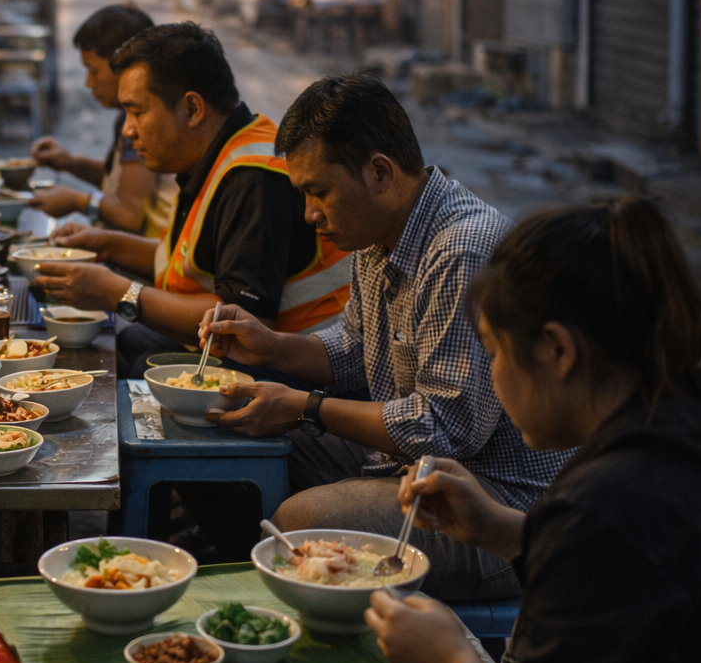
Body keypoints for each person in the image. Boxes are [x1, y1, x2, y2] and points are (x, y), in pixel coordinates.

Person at [365, 197, 701, 663]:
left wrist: (451, 659)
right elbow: (635, 572)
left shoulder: (603, 503)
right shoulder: (687, 422)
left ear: (558, 350)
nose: (494, 374)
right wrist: (502, 529)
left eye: (493, 352)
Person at [197, 74, 568, 599]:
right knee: (228, 438)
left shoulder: (460, 251)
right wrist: (274, 346)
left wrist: (306, 407)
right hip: (414, 465)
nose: (309, 214)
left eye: (319, 191)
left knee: (301, 519)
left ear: (379, 172)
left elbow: (444, 430)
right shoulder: (377, 236)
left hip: (492, 503)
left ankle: (285, 621)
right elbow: (355, 348)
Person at [33, 23, 351, 380]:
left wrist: (117, 292)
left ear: (192, 108)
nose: (127, 129)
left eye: (137, 112)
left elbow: (244, 321)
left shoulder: (253, 178)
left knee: (136, 364)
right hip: (238, 347)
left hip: (296, 371)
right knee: (126, 343)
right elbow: (189, 263)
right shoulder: (217, 156)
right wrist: (107, 246)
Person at [27, 4, 175, 236]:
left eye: (94, 71)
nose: (88, 83)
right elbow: (121, 182)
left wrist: (76, 200)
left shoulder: (142, 122)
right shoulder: (127, 117)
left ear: (125, 67)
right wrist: (71, 163)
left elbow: (130, 212)